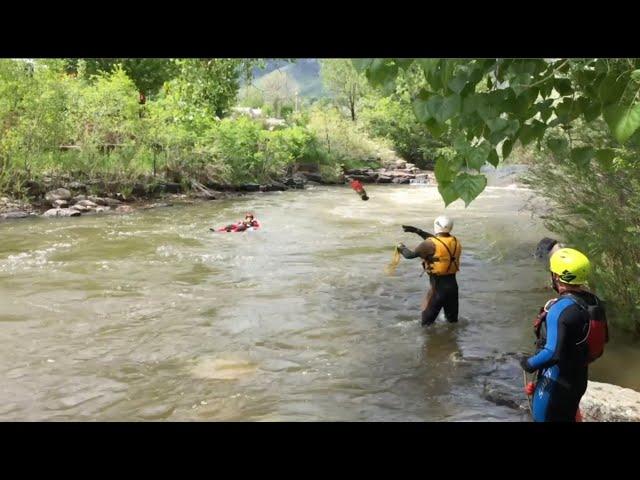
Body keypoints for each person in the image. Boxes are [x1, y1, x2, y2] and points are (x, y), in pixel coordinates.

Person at [520, 248, 608, 422]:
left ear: (557, 276)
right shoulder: (595, 302)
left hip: (555, 381)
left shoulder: (560, 309)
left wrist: (528, 363)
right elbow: (602, 339)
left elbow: (552, 352)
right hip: (578, 378)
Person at [396, 215, 462, 326]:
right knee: (452, 323)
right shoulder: (455, 241)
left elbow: (410, 255)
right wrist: (418, 231)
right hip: (453, 289)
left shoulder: (429, 244)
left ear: (436, 227)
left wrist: (401, 247)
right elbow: (438, 242)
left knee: (426, 325)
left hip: (438, 290)